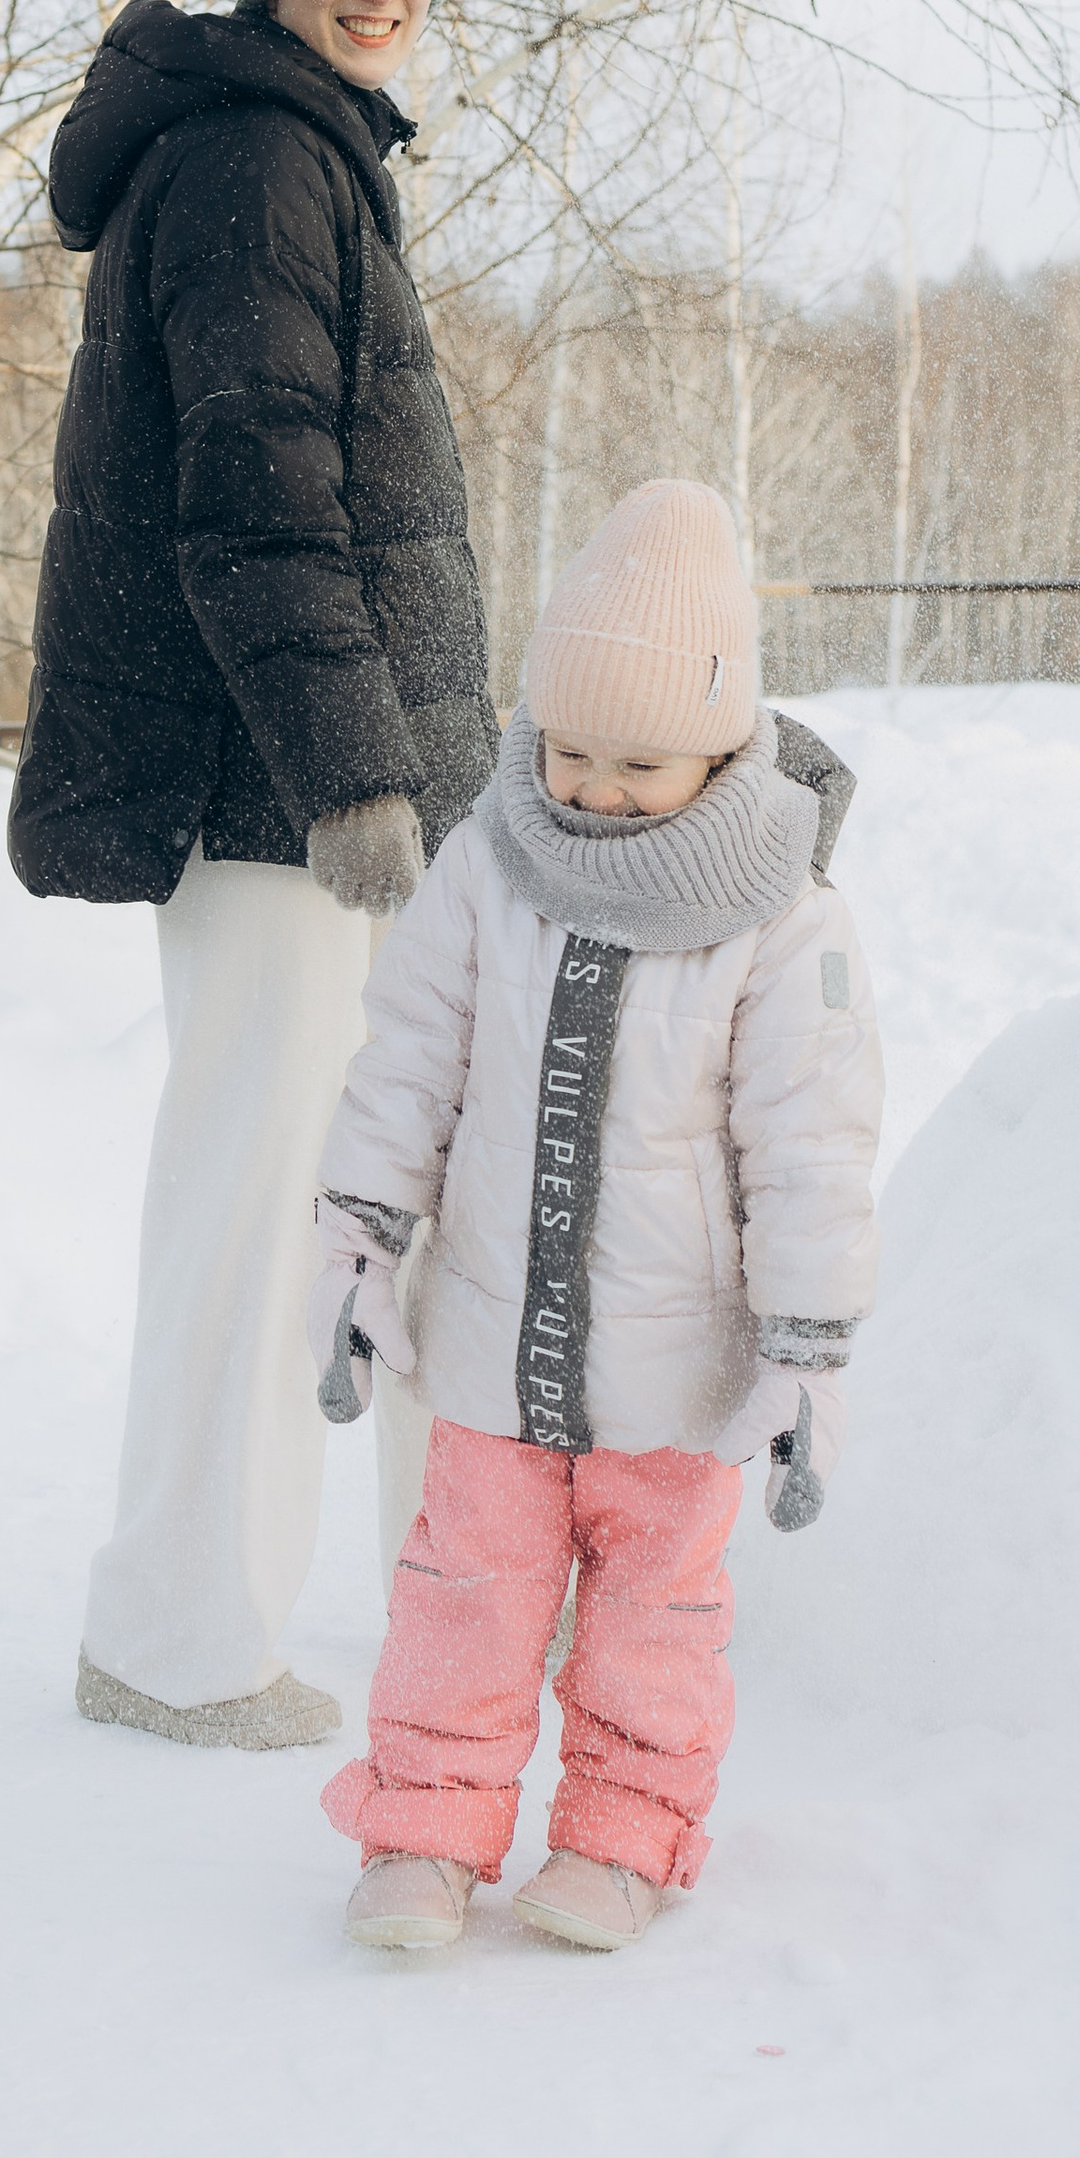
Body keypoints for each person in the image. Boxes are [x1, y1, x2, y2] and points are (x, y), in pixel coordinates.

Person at [10, 0, 498, 1750]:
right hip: (275, 790)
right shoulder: (249, 163)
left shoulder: (303, 152)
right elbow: (254, 496)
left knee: (359, 1193)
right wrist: (347, 776)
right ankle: (176, 1637)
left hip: (326, 785)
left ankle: (437, 1600)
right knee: (273, 1197)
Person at [305, 477, 882, 1947]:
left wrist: (805, 1343)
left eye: (637, 760)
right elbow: (409, 1055)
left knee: (654, 1624)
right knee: (462, 1599)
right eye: (567, 750)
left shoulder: (781, 915)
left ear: (719, 741)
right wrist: (361, 1234)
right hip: (497, 1345)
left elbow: (809, 1137)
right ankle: (424, 1835)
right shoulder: (489, 865)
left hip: (682, 1376)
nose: (593, 789)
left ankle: (627, 1835)